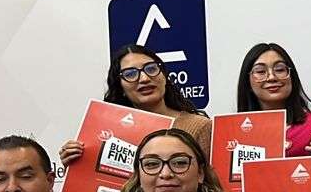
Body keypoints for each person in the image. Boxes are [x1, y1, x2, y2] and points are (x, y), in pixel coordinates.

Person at [59, 44, 212, 168]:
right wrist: (76, 165)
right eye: (130, 74)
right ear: (121, 88)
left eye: (151, 68)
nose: (144, 78)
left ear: (164, 77)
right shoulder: (107, 134)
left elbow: (214, 186)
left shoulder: (199, 127)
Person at [235, 42, 311, 156]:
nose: (271, 77)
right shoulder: (235, 134)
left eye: (280, 69)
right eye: (261, 71)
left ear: (292, 77)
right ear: (248, 83)